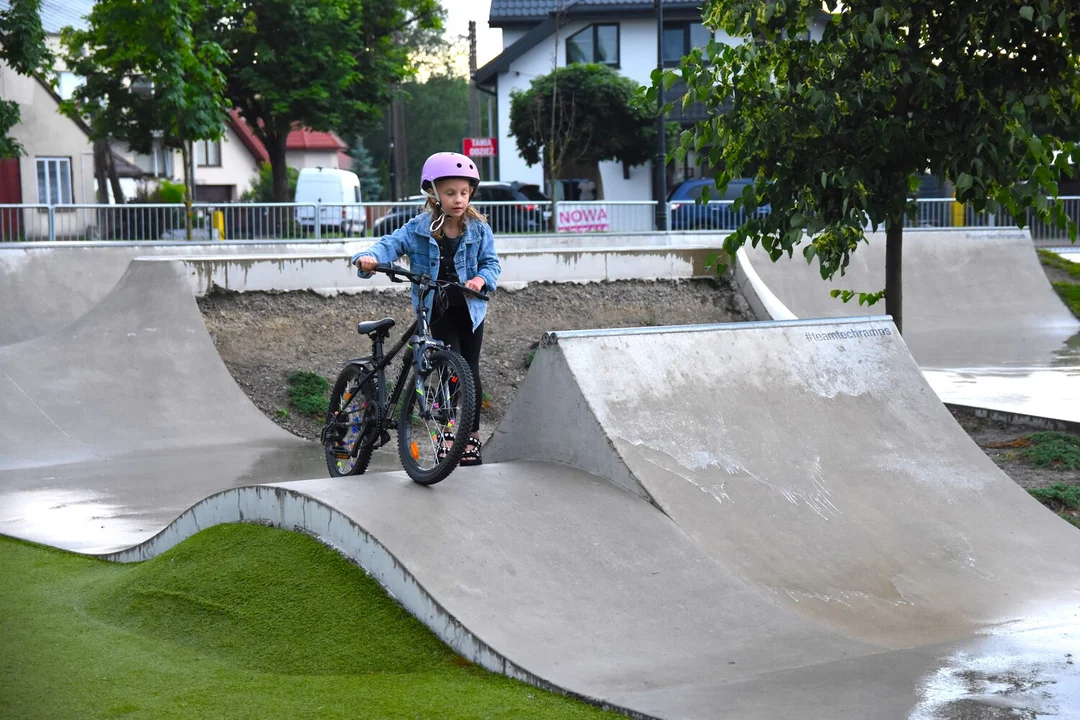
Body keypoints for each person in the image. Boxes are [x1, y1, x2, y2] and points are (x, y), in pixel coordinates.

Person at [351, 151, 501, 466]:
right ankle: (449, 434)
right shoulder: (419, 227)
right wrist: (369, 258)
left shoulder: (478, 229)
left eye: (464, 192)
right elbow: (389, 244)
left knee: (469, 371)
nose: (458, 199)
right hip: (436, 310)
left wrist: (479, 279)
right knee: (452, 367)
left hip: (470, 310)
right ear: (433, 193)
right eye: (450, 193)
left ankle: (469, 437)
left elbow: (491, 264)